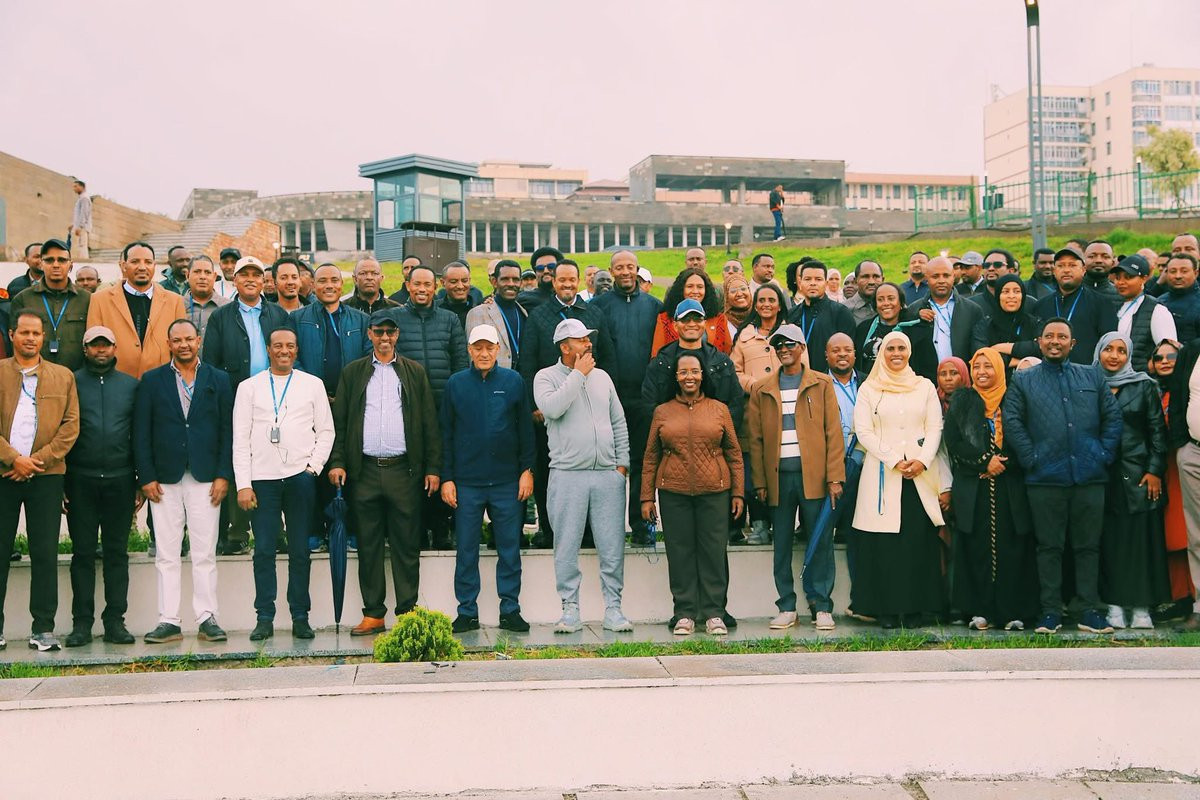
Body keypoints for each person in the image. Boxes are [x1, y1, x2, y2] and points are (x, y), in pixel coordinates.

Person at [1004, 318, 1122, 634]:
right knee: (1049, 548)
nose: (1055, 341)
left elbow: (1112, 418)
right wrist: (1031, 458)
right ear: (1039, 342)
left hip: (1089, 476)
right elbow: (1012, 421)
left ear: (1073, 343)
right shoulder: (1024, 380)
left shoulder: (1092, 376)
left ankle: (1088, 611)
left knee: (1088, 547)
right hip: (1045, 479)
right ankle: (1051, 612)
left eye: (1062, 336)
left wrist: (1102, 455)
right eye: (1049, 336)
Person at [328, 311, 440, 636]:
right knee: (369, 546)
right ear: (370, 334)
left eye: (390, 332)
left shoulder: (414, 372)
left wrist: (433, 468)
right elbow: (340, 422)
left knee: (406, 546)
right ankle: (374, 613)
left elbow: (429, 423)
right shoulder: (353, 373)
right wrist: (337, 461)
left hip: (403, 471)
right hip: (364, 471)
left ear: (398, 334)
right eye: (379, 332)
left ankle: (407, 613)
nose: (385, 338)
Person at [134, 319, 232, 644]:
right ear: (169, 344)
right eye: (177, 340)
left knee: (204, 552)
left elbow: (227, 431)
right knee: (167, 553)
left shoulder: (218, 379)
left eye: (189, 339)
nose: (184, 345)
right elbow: (141, 432)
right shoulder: (152, 380)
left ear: (199, 340)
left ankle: (206, 617)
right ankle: (168, 620)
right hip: (165, 478)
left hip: (206, 477)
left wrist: (223, 474)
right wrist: (146, 476)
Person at [233, 328, 334, 641]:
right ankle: (264, 617)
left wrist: (312, 468)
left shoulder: (312, 384)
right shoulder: (249, 387)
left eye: (290, 346)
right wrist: (243, 484)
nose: (284, 351)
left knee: (300, 550)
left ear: (296, 350)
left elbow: (326, 431)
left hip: (299, 477)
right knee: (264, 550)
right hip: (262, 479)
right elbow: (240, 439)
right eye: (278, 346)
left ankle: (300, 616)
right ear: (268, 349)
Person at [533, 318, 632, 633]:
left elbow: (618, 421)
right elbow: (552, 409)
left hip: (607, 475)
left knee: (612, 546)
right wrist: (578, 375)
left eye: (589, 338)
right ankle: (570, 610)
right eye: (581, 339)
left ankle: (614, 609)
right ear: (565, 347)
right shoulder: (545, 377)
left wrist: (621, 466)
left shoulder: (602, 377)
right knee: (566, 546)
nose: (589, 343)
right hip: (567, 475)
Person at [748, 324, 845, 631]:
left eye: (790, 344)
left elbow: (834, 433)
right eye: (779, 345)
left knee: (820, 542)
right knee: (782, 545)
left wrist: (835, 477)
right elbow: (756, 440)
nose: (784, 349)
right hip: (779, 479)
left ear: (802, 348)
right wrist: (760, 481)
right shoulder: (762, 388)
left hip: (814, 477)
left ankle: (821, 605)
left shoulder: (821, 383)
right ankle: (786, 606)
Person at [440, 324, 534, 634]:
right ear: (469, 350)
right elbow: (446, 434)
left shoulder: (513, 381)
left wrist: (526, 470)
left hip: (507, 481)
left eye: (489, 347)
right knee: (466, 550)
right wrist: (447, 478)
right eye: (477, 348)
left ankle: (510, 609)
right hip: (467, 482)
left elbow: (525, 429)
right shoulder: (455, 384)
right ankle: (467, 611)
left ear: (498, 350)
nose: (483, 353)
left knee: (509, 549)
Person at [642, 351, 744, 636]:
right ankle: (685, 613)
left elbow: (734, 454)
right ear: (676, 377)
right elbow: (650, 457)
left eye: (695, 371)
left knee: (713, 552)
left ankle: (714, 613)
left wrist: (738, 492)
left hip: (715, 492)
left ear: (703, 376)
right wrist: (646, 497)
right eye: (683, 372)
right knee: (679, 553)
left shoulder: (719, 409)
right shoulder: (662, 412)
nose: (690, 377)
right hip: (673, 493)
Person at [850, 330, 945, 628]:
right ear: (882, 353)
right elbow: (863, 431)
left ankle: (916, 610)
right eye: (890, 348)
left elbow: (935, 428)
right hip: (883, 473)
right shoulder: (869, 389)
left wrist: (922, 460)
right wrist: (894, 459)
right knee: (885, 547)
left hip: (919, 475)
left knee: (917, 543)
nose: (896, 354)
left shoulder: (924, 386)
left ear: (909, 352)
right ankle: (886, 611)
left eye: (901, 348)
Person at [520, 261, 615, 548]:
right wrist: (533, 404)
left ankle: (587, 533)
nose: (567, 284)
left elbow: (607, 358)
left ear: (579, 281)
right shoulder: (539, 315)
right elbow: (528, 361)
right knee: (550, 472)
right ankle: (551, 531)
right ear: (553, 282)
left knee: (586, 474)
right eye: (562, 280)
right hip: (550, 405)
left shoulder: (594, 313)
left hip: (588, 406)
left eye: (572, 279)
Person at [0, 310, 80, 651]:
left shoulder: (63, 376)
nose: (31, 338)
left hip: (47, 476)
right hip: (4, 474)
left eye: (36, 333)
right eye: (24, 332)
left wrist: (36, 462)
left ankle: (43, 629)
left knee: (45, 552)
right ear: (12, 335)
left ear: (43, 337)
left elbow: (70, 427)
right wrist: (12, 458)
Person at [942, 347, 1038, 631]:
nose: (982, 372)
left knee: (1012, 548)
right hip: (974, 487)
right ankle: (979, 610)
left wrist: (1002, 462)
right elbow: (954, 442)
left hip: (1010, 486)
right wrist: (985, 461)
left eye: (988, 366)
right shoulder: (963, 400)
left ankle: (1012, 611)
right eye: (977, 366)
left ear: (999, 369)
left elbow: (1028, 436)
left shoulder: (1014, 398)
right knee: (976, 548)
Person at [202, 255, 290, 555]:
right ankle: (237, 532)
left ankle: (274, 531)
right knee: (238, 461)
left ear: (264, 280)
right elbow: (210, 364)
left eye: (256, 274)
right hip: (234, 399)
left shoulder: (278, 314)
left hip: (272, 400)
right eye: (244, 275)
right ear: (234, 280)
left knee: (271, 464)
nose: (250, 279)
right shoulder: (221, 317)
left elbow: (290, 353)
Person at [64, 326, 139, 647]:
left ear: (114, 348)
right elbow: (62, 430)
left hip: (121, 480)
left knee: (116, 553)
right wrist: (62, 482)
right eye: (94, 345)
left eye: (105, 345)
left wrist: (139, 481)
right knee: (82, 553)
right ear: (85, 349)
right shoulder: (71, 382)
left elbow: (139, 434)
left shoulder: (131, 385)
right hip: (80, 479)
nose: (100, 350)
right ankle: (81, 624)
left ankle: (115, 621)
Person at [1093, 332, 1169, 630]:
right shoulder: (1088, 384)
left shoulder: (1144, 385)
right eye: (1108, 349)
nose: (1114, 356)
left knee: (1140, 544)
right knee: (1108, 543)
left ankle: (1140, 608)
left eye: (1121, 351)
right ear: (1099, 352)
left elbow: (1157, 432)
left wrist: (1154, 471)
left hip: (1138, 476)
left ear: (1129, 355)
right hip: (1100, 476)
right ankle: (1113, 605)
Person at [391, 265, 467, 550]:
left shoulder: (449, 319)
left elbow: (460, 362)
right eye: (417, 284)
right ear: (408, 286)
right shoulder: (395, 318)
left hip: (442, 404)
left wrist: (456, 400)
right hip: (407, 406)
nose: (422, 289)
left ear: (436, 287)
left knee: (442, 464)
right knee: (413, 468)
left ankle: (442, 527)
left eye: (427, 285)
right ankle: (419, 530)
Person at [591, 250, 663, 547]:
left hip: (645, 397)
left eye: (629, 267)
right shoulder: (598, 307)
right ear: (611, 271)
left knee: (643, 461)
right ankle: (607, 528)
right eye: (619, 267)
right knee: (610, 464)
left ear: (637, 269)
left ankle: (641, 524)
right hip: (610, 397)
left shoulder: (655, 307)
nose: (625, 272)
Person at [730, 283, 787, 544]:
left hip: (784, 411)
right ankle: (760, 525)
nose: (766, 304)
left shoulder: (790, 332)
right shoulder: (744, 336)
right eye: (761, 300)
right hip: (752, 412)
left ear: (779, 304)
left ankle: (781, 524)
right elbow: (734, 370)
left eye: (771, 300)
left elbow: (803, 366)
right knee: (754, 471)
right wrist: (754, 385)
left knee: (780, 469)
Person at [87, 241, 186, 378]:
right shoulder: (99, 300)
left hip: (161, 381)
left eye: (148, 262)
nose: (142, 267)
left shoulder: (175, 301)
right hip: (115, 381)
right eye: (135, 262)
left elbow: (180, 346)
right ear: (123, 265)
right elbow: (93, 346)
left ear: (154, 265)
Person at [1148, 339, 1195, 622]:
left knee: (1188, 534)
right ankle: (1180, 597)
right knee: (1172, 537)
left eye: (1171, 357)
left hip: (1184, 467)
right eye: (1158, 357)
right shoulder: (1150, 391)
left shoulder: (1190, 392)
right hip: (1162, 470)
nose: (1164, 361)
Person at [9, 238, 90, 371]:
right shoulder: (23, 299)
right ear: (41, 264)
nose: (56, 265)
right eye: (49, 260)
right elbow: (14, 344)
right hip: (34, 376)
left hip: (77, 377)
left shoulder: (87, 299)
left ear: (71, 265)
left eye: (62, 260)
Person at [1031, 246, 1118, 365]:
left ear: (1083, 270)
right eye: (1061, 266)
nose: (1066, 270)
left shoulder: (1102, 304)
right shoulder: (1041, 305)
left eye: (1072, 265)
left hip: (1087, 372)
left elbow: (1109, 344)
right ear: (1054, 271)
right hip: (1048, 371)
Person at [905, 256, 983, 365]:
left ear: (953, 276)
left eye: (946, 276)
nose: (941, 281)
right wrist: (916, 318)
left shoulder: (972, 310)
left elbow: (978, 349)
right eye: (935, 276)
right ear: (926, 278)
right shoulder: (913, 310)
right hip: (924, 375)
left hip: (962, 374)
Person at [855, 281, 937, 381]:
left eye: (891, 298)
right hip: (870, 387)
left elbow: (928, 369)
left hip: (906, 387)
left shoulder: (916, 330)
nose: (886, 303)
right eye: (880, 299)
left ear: (901, 303)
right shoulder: (864, 328)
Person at [1111, 254, 1176, 374]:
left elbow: (1168, 352)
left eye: (1128, 277)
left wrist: (1143, 373)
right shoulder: (1112, 305)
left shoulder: (1157, 309)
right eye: (1118, 277)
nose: (1121, 282)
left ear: (1144, 279)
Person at [787, 260, 855, 373]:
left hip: (829, 377)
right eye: (807, 279)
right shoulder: (792, 314)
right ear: (800, 283)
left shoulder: (840, 313)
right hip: (797, 376)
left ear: (826, 283)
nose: (813, 283)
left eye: (818, 279)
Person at [651, 268, 732, 355]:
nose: (695, 291)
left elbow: (728, 353)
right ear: (681, 289)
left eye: (700, 287)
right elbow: (657, 354)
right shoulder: (664, 319)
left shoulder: (719, 319)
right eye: (690, 286)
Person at [466, 259, 527, 370]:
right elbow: (473, 357)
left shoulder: (523, 312)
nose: (511, 284)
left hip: (521, 377)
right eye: (505, 279)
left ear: (521, 283)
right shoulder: (478, 313)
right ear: (494, 282)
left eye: (515, 279)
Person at [969, 275, 1040, 370]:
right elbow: (982, 355)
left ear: (1023, 295)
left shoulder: (1034, 323)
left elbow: (1041, 348)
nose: (1011, 296)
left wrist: (1002, 347)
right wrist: (1020, 362)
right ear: (998, 295)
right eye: (1005, 292)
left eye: (1017, 291)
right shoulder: (985, 325)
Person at [182, 255, 229, 345]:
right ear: (187, 275)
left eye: (207, 272)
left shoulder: (227, 307)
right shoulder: (176, 305)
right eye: (197, 272)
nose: (203, 277)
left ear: (214, 277)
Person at [1159, 253, 1200, 343]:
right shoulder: (1159, 302)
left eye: (1184, 271)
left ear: (1196, 273)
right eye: (1173, 271)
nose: (1178, 276)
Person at [436, 260, 482, 329]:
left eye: (464, 281)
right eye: (453, 282)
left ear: (469, 281)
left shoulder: (480, 311)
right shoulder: (433, 310)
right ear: (443, 283)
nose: (460, 286)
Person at [516, 247, 562, 311]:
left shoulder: (570, 298)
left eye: (551, 266)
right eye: (540, 268)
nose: (546, 271)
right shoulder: (523, 300)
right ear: (535, 273)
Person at [1083, 240, 1122, 311]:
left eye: (1105, 257)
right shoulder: (1070, 291)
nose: (1098, 260)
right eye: (1092, 256)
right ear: (1083, 262)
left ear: (1113, 263)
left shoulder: (1121, 294)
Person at [843, 260, 883, 325]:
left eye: (876, 276)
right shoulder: (844, 310)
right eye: (865, 277)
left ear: (882, 280)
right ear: (856, 281)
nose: (871, 282)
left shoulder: (893, 307)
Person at [723, 274, 753, 340]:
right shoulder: (721, 322)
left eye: (743, 289)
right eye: (733, 291)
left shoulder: (759, 316)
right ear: (726, 296)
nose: (739, 294)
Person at [71, 178, 92, 260]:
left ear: (82, 187)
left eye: (76, 186)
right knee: (78, 246)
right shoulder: (81, 198)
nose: (74, 188)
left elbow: (84, 213)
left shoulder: (84, 198)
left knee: (82, 246)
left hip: (82, 227)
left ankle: (83, 262)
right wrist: (73, 225)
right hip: (79, 226)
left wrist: (80, 226)